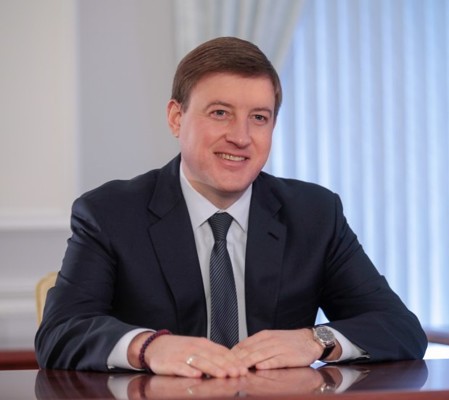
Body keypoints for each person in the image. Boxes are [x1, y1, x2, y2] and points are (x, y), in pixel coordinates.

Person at [35, 37, 427, 378]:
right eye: (220, 113)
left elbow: (398, 327)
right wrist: (149, 347)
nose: (241, 137)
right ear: (176, 118)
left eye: (259, 117)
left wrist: (315, 340)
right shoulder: (110, 213)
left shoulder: (315, 214)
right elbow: (60, 332)